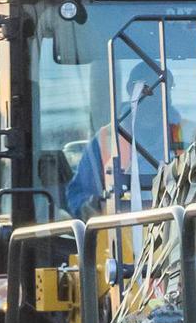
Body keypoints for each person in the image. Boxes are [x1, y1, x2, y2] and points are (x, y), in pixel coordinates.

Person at [66, 62, 183, 218]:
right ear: (130, 90)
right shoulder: (105, 140)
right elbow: (79, 195)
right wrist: (90, 207)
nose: (154, 94)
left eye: (162, 87)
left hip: (181, 236)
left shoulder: (192, 137)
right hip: (120, 237)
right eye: (146, 88)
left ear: (169, 91)